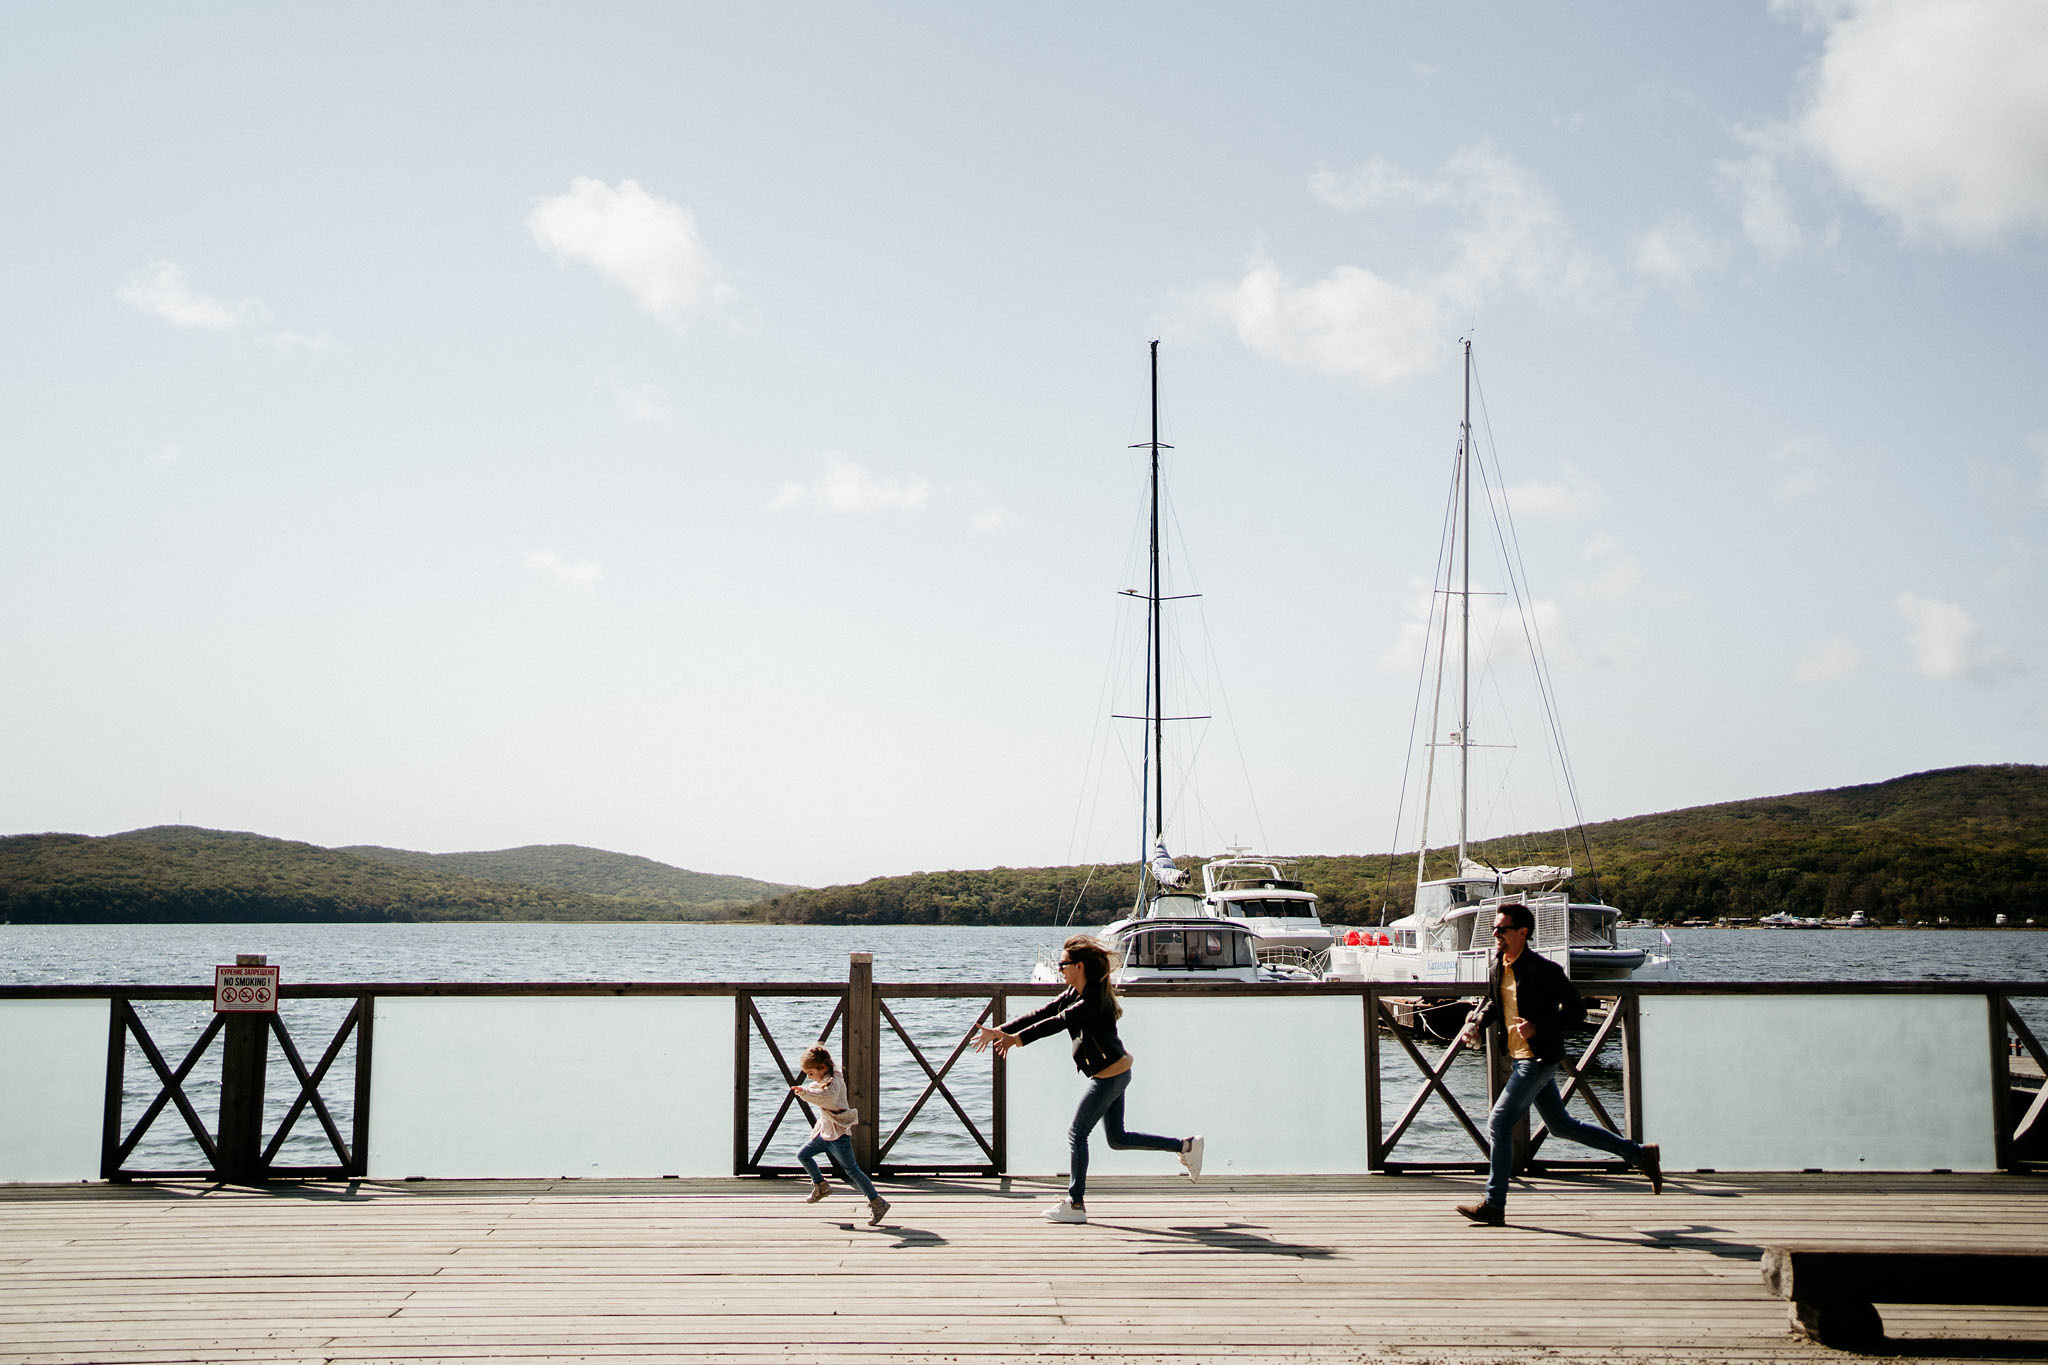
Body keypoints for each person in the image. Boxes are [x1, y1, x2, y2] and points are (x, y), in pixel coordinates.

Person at [972, 933, 1203, 1224]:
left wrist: (1015, 1041)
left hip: (1109, 1076)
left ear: (1079, 966)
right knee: (1118, 1139)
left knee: (1077, 1133)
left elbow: (1059, 1022)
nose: (1060, 968)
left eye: (1063, 963)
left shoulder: (1092, 999)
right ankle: (1186, 1146)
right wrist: (999, 1030)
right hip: (1115, 1072)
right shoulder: (1075, 993)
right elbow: (1042, 1013)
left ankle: (1075, 1204)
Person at [1455, 901, 1662, 1226]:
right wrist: (1478, 1021)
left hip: (1538, 1059)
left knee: (1498, 1123)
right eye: (1494, 928)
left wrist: (1539, 1025)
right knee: (1562, 1126)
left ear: (1522, 933)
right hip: (1520, 1057)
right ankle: (1639, 1154)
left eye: (1502, 929)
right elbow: (1495, 1001)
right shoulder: (1497, 967)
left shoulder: (1544, 970)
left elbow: (1577, 1010)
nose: (1495, 933)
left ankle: (1494, 1204)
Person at [791, 1044, 890, 1226]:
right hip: (824, 1134)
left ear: (822, 1068)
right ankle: (821, 1186)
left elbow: (826, 1098)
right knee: (803, 1154)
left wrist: (804, 1093)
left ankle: (877, 1202)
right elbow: (817, 1088)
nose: (809, 1077)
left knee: (852, 1171)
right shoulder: (825, 1079)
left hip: (839, 1137)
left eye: (810, 1073)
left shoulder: (835, 1084)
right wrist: (806, 1089)